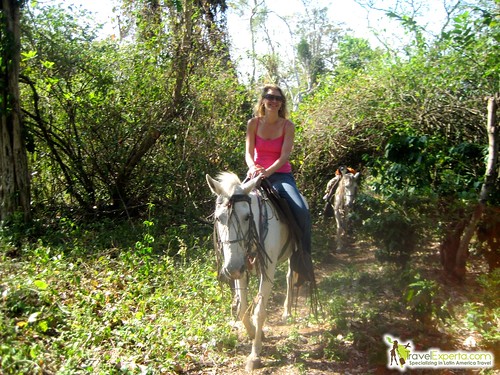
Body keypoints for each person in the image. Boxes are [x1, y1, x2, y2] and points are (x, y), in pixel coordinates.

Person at [245, 84, 312, 257]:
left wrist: (267, 171)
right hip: (255, 175)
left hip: (281, 176)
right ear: (263, 100)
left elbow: (284, 157)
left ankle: (302, 257)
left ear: (282, 103)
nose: (273, 101)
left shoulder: (288, 126)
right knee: (230, 204)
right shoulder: (253, 123)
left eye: (278, 98)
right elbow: (248, 152)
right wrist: (253, 167)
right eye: (270, 97)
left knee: (301, 210)